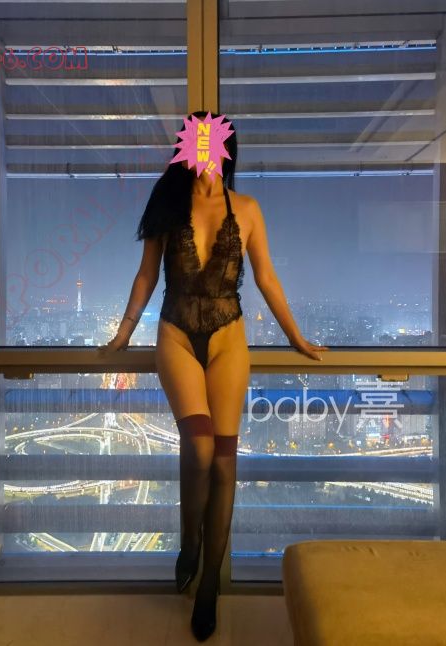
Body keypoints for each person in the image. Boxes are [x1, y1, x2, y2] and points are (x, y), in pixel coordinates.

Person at [99, 110, 327, 641]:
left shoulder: (246, 208)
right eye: (195, 141)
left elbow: (266, 277)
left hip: (228, 338)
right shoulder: (168, 203)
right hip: (176, 334)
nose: (203, 150)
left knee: (224, 463)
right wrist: (123, 333)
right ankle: (190, 544)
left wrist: (296, 337)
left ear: (225, 147)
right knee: (199, 446)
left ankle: (209, 587)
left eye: (211, 141)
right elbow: (146, 275)